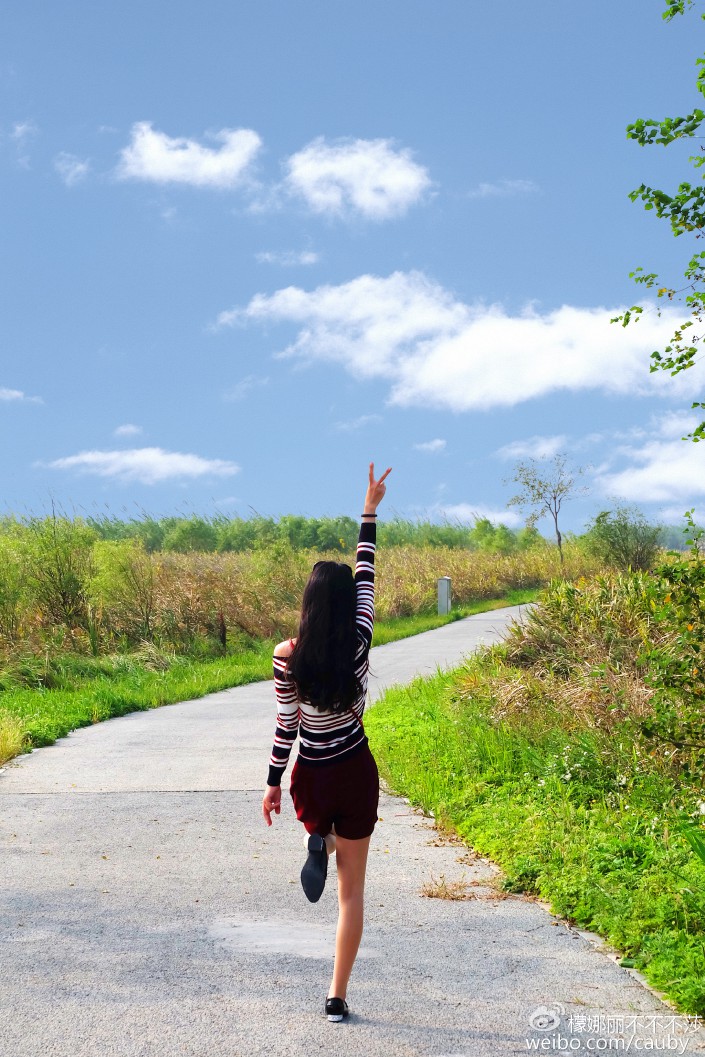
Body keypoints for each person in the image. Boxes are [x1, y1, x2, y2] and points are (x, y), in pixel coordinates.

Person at [262, 462, 392, 1023]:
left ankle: (320, 837)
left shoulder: (287, 655)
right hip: (355, 769)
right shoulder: (360, 641)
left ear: (309, 604)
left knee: (326, 830)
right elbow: (365, 575)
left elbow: (285, 726)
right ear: (348, 608)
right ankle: (336, 997)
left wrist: (272, 785)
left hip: (311, 776)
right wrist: (369, 510)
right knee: (351, 894)